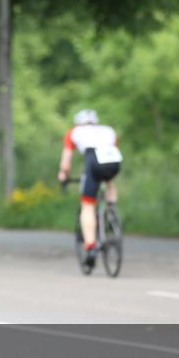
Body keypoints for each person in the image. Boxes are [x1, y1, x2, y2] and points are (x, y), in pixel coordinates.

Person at [57, 109, 122, 268]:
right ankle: (111, 211)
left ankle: (91, 247)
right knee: (109, 181)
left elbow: (66, 162)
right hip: (113, 161)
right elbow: (112, 149)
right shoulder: (108, 130)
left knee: (87, 205)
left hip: (93, 160)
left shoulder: (74, 132)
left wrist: (63, 175)